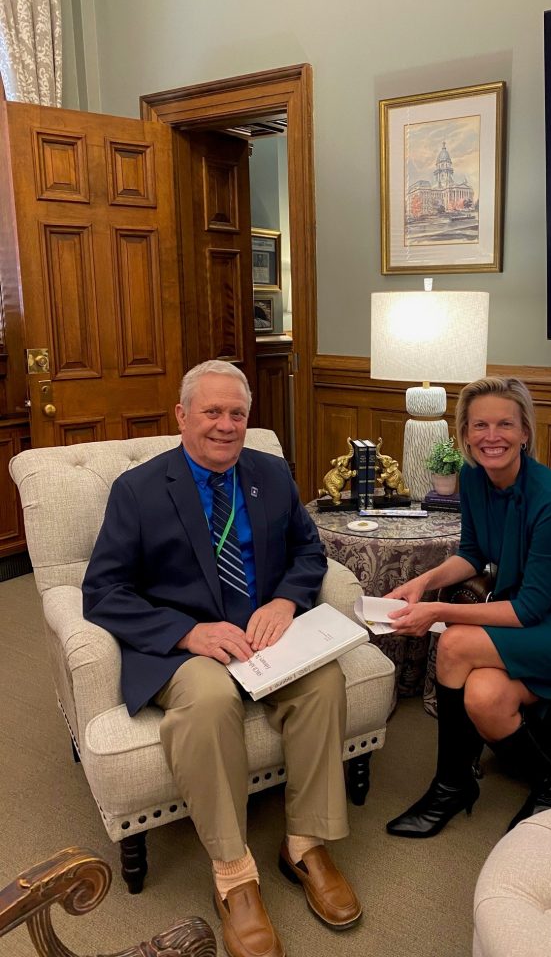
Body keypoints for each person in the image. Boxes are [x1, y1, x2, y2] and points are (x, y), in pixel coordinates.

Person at [83, 360, 361, 957]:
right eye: (212, 412)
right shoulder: (137, 490)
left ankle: (305, 845)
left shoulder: (270, 473)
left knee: (324, 682)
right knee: (209, 702)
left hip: (264, 635)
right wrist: (188, 633)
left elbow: (308, 552)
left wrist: (286, 601)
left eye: (237, 413)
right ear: (182, 416)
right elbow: (103, 591)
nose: (226, 425)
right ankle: (234, 874)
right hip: (187, 646)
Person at [383, 377, 551, 839]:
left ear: (524, 433)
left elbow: (527, 611)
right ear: (464, 434)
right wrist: (421, 584)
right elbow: (472, 554)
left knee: (455, 643)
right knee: (484, 696)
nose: (491, 436)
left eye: (504, 424)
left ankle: (450, 786)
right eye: (480, 425)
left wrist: (438, 613)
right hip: (541, 613)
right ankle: (550, 783)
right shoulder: (473, 479)